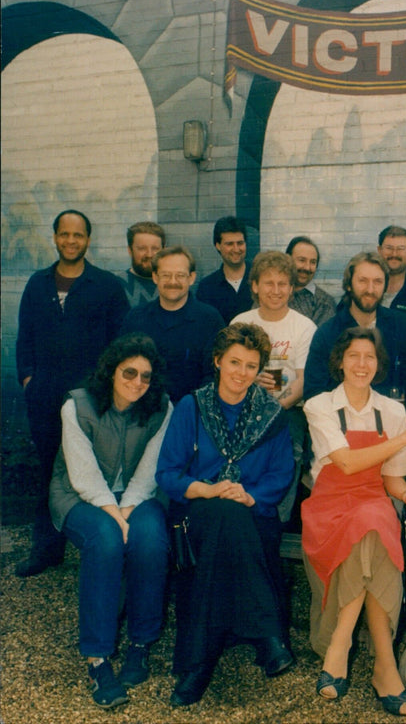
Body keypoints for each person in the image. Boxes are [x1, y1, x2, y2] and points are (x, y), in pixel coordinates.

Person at [156, 323, 296, 707]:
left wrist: (248, 497)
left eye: (251, 366)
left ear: (260, 371)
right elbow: (167, 473)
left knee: (230, 519)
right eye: (234, 362)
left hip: (253, 512)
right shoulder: (192, 406)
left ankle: (196, 664)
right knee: (221, 513)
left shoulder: (272, 415)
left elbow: (281, 474)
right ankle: (268, 635)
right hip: (197, 514)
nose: (241, 373)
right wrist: (210, 489)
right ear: (218, 361)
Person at [302, 327, 406, 716]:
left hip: (372, 500)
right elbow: (345, 463)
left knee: (372, 520)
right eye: (354, 356)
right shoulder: (319, 405)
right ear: (340, 361)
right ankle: (385, 667)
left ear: (379, 365)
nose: (362, 364)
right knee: (372, 525)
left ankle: (340, 647)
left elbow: (391, 477)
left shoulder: (391, 411)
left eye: (370, 357)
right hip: (327, 505)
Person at [49, 334, 172, 708]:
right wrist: (111, 514)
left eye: (145, 376)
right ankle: (98, 658)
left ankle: (140, 643)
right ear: (112, 371)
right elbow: (83, 475)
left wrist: (128, 509)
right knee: (104, 539)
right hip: (78, 494)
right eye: (129, 372)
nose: (137, 382)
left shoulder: (161, 408)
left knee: (150, 537)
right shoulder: (78, 405)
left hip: (138, 495)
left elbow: (151, 470)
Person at [15, 209, 130, 577]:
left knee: (95, 472)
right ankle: (47, 549)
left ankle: (103, 549)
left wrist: (108, 391)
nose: (70, 241)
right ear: (55, 237)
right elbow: (24, 338)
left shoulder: (107, 286)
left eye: (78, 235)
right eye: (64, 234)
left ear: (88, 240)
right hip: (45, 398)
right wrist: (29, 380)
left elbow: (121, 343)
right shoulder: (38, 283)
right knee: (51, 471)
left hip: (91, 400)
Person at [231, 250, 317, 522]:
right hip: (242, 404)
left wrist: (276, 409)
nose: (276, 290)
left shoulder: (304, 327)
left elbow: (304, 380)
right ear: (255, 286)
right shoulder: (241, 323)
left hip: (288, 410)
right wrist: (249, 380)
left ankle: (274, 522)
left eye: (283, 284)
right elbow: (226, 372)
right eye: (268, 283)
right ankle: (239, 514)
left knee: (290, 453)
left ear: (292, 289)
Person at [304, 252, 406, 418]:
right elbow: (313, 394)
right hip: (341, 425)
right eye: (363, 281)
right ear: (349, 284)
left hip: (390, 422)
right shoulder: (327, 333)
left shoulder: (402, 325)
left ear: (385, 286)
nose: (370, 290)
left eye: (377, 282)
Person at [120, 246, 225, 403]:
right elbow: (121, 367)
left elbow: (216, 374)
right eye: (166, 275)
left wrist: (190, 409)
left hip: (193, 414)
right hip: (142, 414)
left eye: (180, 275)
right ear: (155, 277)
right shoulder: (135, 318)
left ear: (191, 278)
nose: (173, 282)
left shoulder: (210, 319)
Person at [196, 216, 254, 323]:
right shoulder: (207, 287)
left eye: (240, 243)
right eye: (229, 244)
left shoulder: (260, 278)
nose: (236, 249)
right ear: (218, 245)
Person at [286, 235, 336, 326]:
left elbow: (320, 339)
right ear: (288, 260)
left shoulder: (324, 303)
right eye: (302, 260)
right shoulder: (273, 294)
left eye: (313, 262)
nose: (307, 268)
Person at [118, 221, 166, 307]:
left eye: (155, 248)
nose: (149, 254)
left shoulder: (174, 284)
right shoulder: (117, 285)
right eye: (142, 248)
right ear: (130, 250)